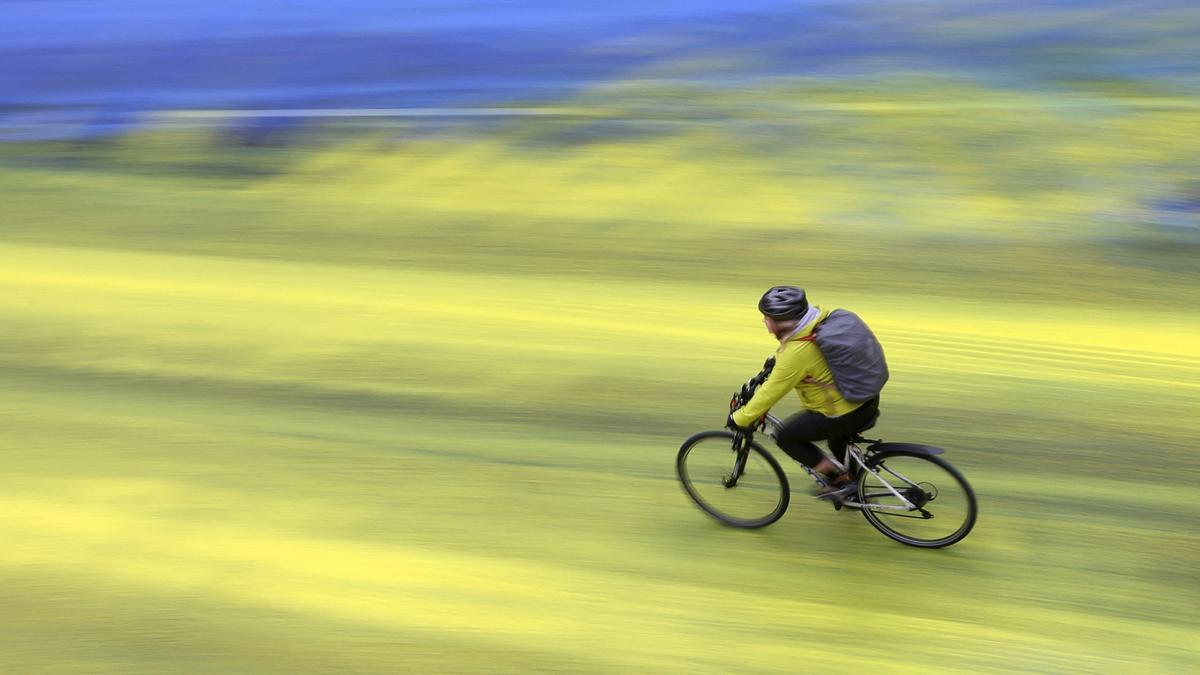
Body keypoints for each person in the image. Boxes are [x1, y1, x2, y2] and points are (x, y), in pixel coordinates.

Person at [726, 286, 881, 499]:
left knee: (787, 437)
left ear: (783, 322)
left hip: (842, 412)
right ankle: (855, 484)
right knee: (837, 442)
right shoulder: (819, 321)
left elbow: (771, 393)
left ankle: (840, 481)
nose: (764, 322)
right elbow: (796, 359)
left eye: (767, 318)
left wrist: (740, 418)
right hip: (866, 399)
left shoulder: (797, 353)